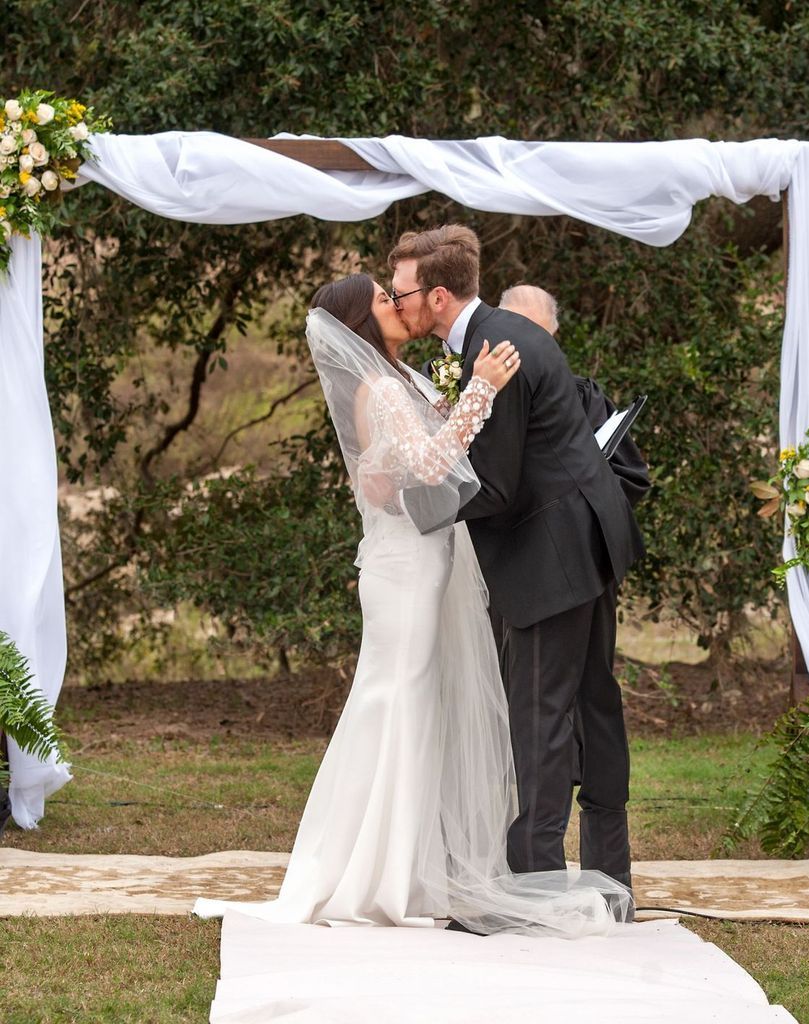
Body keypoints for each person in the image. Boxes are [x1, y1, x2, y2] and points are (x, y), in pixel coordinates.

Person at [194, 274, 631, 936]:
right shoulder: (379, 388)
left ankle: (412, 868)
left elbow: (407, 466)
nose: (394, 305)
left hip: (429, 563)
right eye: (381, 299)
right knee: (394, 705)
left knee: (421, 710)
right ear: (358, 322)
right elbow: (430, 465)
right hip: (401, 571)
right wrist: (481, 388)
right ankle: (371, 874)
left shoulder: (404, 381)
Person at [390, 227, 645, 902]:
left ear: (436, 297)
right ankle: (608, 880)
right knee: (593, 703)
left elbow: (494, 488)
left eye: (401, 293)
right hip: (584, 540)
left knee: (539, 713)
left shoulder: (493, 351)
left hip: (549, 554)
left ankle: (533, 886)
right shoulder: (496, 336)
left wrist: (416, 504)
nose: (396, 302)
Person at [498, 283, 650, 828]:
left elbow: (631, 475)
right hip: (513, 575)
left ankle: (609, 871)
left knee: (595, 703)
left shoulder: (584, 396)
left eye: (538, 333)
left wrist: (583, 491)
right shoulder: (481, 396)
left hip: (587, 565)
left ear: (554, 337)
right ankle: (516, 856)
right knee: (522, 709)